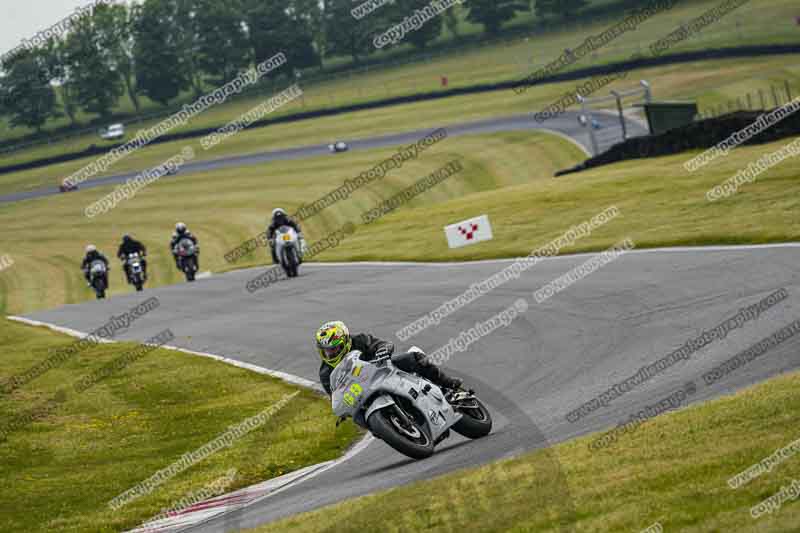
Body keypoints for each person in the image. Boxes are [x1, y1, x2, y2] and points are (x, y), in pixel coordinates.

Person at [315, 321, 462, 396]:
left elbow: (383, 344)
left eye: (334, 348)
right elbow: (334, 397)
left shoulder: (359, 340)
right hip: (363, 393)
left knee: (414, 358)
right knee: (357, 417)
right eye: (327, 351)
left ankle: (447, 383)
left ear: (345, 342)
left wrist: (383, 351)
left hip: (384, 370)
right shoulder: (325, 373)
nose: (331, 353)